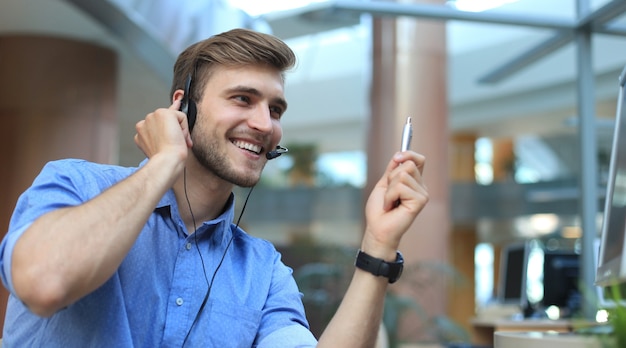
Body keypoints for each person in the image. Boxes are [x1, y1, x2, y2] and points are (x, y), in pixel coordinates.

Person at [0, 28, 428, 347]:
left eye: (275, 108)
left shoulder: (263, 273)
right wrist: (165, 161)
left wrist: (379, 245)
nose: (265, 124)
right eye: (243, 99)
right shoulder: (76, 184)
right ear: (182, 107)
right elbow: (43, 282)